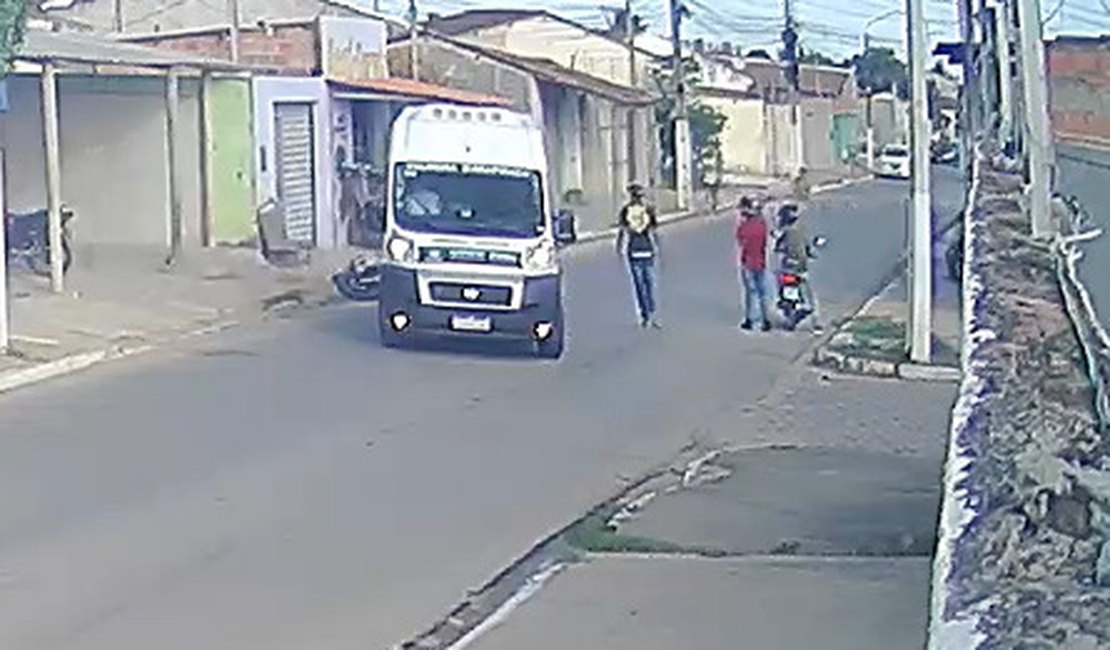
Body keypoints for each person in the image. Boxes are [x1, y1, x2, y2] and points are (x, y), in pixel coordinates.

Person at [616, 184, 661, 328]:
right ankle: (649, 314)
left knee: (642, 285)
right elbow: (654, 231)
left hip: (638, 250)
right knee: (646, 284)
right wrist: (657, 246)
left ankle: (647, 314)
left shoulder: (630, 211)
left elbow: (623, 231)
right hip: (642, 250)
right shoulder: (645, 210)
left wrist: (619, 248)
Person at [775, 203, 822, 333]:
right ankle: (816, 324)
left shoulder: (783, 232)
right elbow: (808, 249)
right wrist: (812, 253)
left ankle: (788, 313)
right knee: (810, 298)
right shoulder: (800, 230)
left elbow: (778, 248)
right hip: (800, 269)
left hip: (787, 268)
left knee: (781, 287)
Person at [735, 196, 772, 331]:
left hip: (747, 263)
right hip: (761, 262)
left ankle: (749, 320)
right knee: (762, 293)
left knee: (750, 293)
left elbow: (740, 241)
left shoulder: (743, 227)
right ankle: (765, 320)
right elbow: (765, 242)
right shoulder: (762, 225)